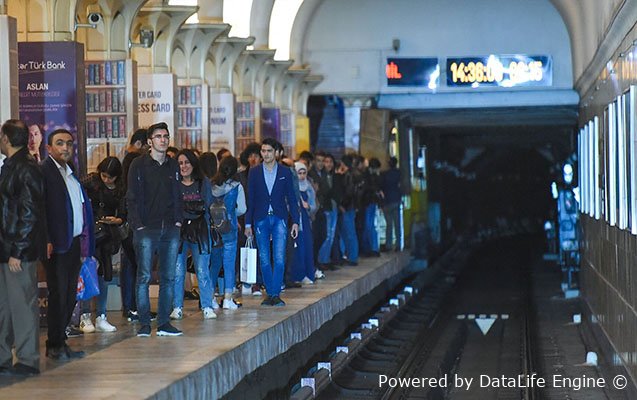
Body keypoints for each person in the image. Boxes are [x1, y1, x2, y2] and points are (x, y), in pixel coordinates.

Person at [41, 129, 95, 360]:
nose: (65, 147)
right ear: (49, 148)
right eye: (60, 143)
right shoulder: (45, 172)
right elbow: (41, 209)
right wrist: (46, 239)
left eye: (69, 144)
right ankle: (54, 344)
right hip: (56, 244)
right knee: (59, 293)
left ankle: (60, 342)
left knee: (70, 293)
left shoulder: (71, 173)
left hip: (73, 242)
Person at [127, 122, 183, 337]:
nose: (163, 139)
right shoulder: (138, 165)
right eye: (158, 136)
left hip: (170, 228)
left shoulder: (172, 165)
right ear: (149, 141)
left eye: (166, 136)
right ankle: (143, 323)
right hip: (146, 228)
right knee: (143, 276)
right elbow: (131, 196)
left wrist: (178, 220)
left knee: (168, 277)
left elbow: (178, 194)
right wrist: (137, 224)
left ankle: (163, 323)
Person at [0, 119, 46, 376]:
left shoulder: (27, 168)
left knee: (22, 305)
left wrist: (18, 250)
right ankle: (3, 357)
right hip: (5, 249)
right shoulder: (10, 166)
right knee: (4, 307)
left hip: (18, 252)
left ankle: (28, 359)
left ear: (6, 138)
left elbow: (29, 213)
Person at [244, 138, 299, 306]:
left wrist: (295, 221)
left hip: (279, 218)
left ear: (275, 152)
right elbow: (250, 199)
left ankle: (275, 293)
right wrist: (248, 224)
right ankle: (271, 292)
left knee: (279, 257)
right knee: (264, 258)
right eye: (263, 151)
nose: (265, 154)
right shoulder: (254, 172)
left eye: (268, 151)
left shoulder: (285, 172)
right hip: (260, 218)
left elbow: (292, 198)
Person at [78, 157, 126, 333]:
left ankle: (101, 315)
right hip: (89, 232)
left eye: (110, 177)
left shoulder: (120, 189)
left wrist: (116, 220)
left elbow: (123, 213)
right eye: (104, 175)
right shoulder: (92, 180)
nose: (106, 180)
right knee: (87, 272)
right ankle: (84, 316)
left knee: (104, 273)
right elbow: (76, 190)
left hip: (107, 234)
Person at [170, 149, 216, 320]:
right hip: (179, 231)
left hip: (200, 231)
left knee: (202, 269)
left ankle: (207, 305)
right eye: (180, 163)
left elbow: (208, 206)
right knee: (178, 270)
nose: (183, 166)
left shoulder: (203, 182)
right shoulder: (173, 184)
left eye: (187, 162)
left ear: (193, 163)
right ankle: (177, 306)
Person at [211, 156, 246, 309]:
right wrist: (232, 213)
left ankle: (210, 298)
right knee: (229, 263)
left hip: (213, 229)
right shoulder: (237, 186)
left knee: (214, 264)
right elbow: (242, 209)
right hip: (229, 228)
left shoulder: (212, 185)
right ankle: (227, 299)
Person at [120, 128, 147, 321]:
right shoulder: (133, 161)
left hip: (130, 219)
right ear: (139, 144)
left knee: (133, 264)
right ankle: (133, 307)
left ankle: (133, 306)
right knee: (133, 264)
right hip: (132, 220)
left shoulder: (127, 160)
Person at [291, 162, 318, 284]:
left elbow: (314, 205)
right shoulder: (292, 187)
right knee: (298, 248)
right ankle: (298, 275)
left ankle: (308, 273)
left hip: (306, 221)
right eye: (299, 173)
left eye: (304, 173)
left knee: (307, 246)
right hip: (297, 222)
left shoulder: (309, 187)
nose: (302, 176)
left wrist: (308, 207)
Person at [316, 153, 338, 271]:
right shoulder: (321, 176)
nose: (327, 164)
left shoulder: (332, 175)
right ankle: (322, 260)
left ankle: (326, 259)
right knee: (327, 234)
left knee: (331, 235)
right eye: (325, 161)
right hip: (325, 208)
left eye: (330, 162)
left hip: (332, 207)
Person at [361, 158, 383, 257]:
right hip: (368, 202)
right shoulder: (369, 176)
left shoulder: (367, 175)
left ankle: (370, 248)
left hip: (368, 202)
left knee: (368, 226)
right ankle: (372, 248)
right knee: (369, 226)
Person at [381, 157, 402, 251]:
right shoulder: (399, 173)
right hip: (396, 200)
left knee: (389, 225)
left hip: (387, 201)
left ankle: (388, 245)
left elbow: (382, 186)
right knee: (397, 224)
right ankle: (398, 245)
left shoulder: (384, 174)